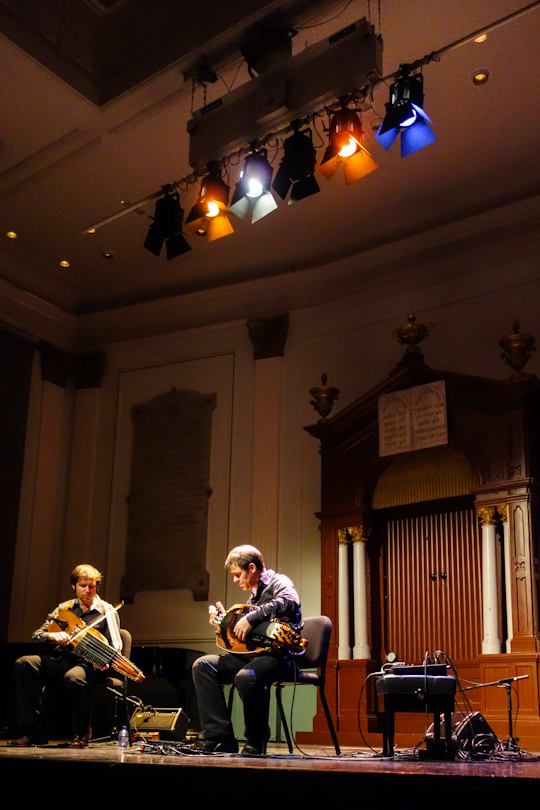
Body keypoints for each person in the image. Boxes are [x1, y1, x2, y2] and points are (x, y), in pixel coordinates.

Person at [192, 544, 302, 756]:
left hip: (279, 657)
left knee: (246, 676)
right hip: (253, 657)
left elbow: (290, 601)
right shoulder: (253, 595)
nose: (235, 580)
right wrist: (223, 624)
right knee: (203, 665)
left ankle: (256, 739)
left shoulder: (279, 582)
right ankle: (219, 738)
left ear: (251, 568)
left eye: (237, 575)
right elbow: (247, 639)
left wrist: (252, 617)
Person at [8, 563, 122, 747]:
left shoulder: (107, 611)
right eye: (83, 586)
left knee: (73, 677)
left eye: (92, 586)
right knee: (25, 663)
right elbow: (37, 635)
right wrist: (53, 635)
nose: (88, 590)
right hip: (62, 660)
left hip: (89, 664)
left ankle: (82, 733)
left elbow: (116, 645)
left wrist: (103, 658)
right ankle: (33, 732)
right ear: (74, 586)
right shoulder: (64, 609)